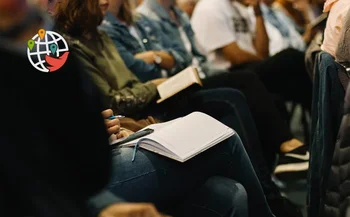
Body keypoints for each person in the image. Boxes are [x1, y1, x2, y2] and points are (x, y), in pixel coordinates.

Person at [54, 0, 277, 217]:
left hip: (110, 142)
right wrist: (156, 84)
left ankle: (277, 188)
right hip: (80, 172)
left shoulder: (97, 36)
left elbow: (170, 62)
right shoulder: (58, 47)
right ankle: (275, 201)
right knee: (224, 136)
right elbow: (115, 100)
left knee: (231, 194)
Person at [0, 1, 169, 217]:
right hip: (64, 188)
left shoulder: (39, 39)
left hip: (73, 184)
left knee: (219, 193)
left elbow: (84, 163)